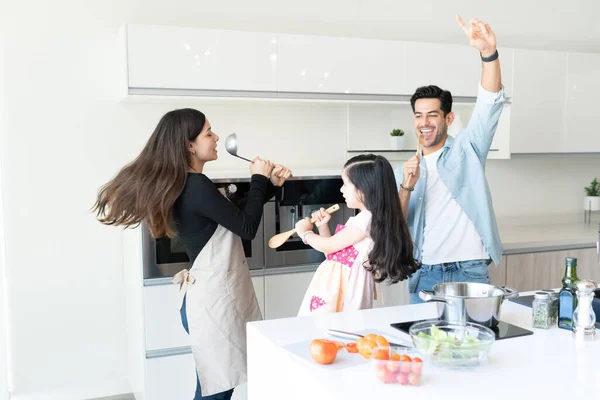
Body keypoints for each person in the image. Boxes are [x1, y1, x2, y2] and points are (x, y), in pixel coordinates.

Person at [92, 108, 291, 399]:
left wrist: (268, 186)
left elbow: (234, 217)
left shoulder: (187, 184)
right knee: (217, 391)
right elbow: (246, 227)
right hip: (213, 302)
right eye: (208, 132)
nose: (216, 137)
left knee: (215, 385)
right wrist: (259, 179)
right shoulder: (195, 185)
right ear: (189, 145)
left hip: (206, 299)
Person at [397, 16, 505, 304]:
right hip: (424, 273)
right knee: (424, 348)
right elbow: (397, 221)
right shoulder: (407, 169)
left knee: (475, 344)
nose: (424, 122)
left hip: (469, 271)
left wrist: (488, 52)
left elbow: (489, 104)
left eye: (432, 114)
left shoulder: (468, 150)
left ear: (448, 118)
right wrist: (407, 186)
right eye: (418, 115)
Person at [296, 154, 419, 315]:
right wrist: (322, 226)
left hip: (345, 290)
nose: (341, 189)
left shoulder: (366, 220)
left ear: (364, 188)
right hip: (336, 289)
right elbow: (332, 253)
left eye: (346, 184)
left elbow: (330, 245)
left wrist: (305, 233)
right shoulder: (367, 219)